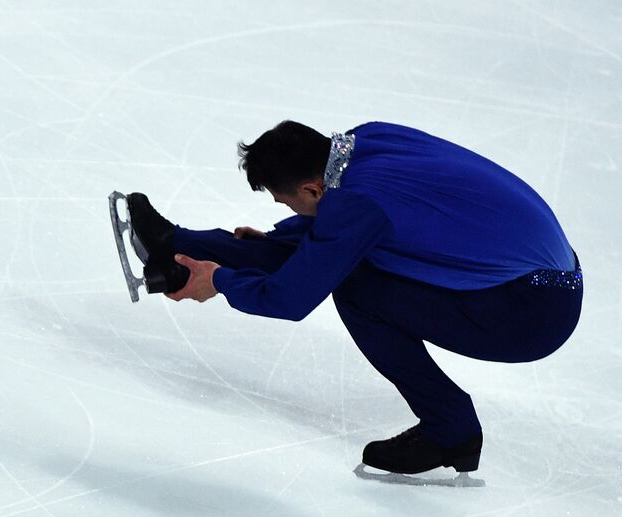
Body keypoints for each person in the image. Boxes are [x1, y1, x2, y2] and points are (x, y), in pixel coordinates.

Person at [125, 120, 582, 476]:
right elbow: (342, 220)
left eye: (286, 202)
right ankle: (175, 242)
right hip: (536, 274)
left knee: (357, 288)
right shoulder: (366, 140)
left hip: (530, 313)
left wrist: (220, 282)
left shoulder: (358, 202)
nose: (287, 209)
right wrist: (279, 236)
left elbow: (289, 299)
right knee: (322, 241)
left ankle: (451, 434)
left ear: (310, 188)